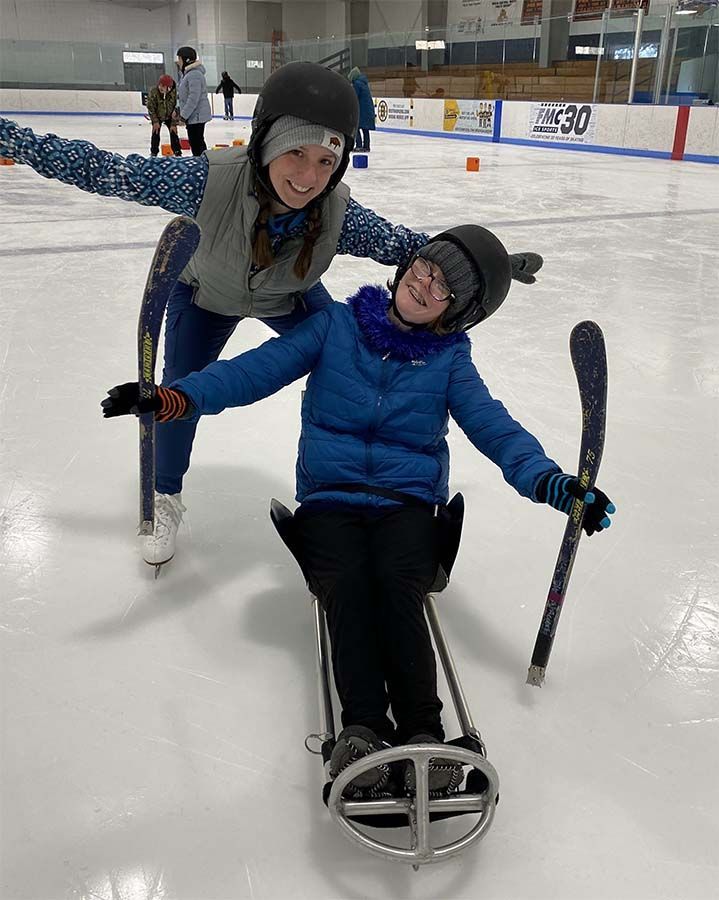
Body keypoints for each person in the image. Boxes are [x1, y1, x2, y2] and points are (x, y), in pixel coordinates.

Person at [101, 224, 615, 798]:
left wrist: (552, 485)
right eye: (424, 267)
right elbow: (252, 372)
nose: (424, 285)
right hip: (329, 502)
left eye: (444, 287)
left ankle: (427, 732)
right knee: (346, 582)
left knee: (398, 582)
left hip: (408, 506)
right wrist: (175, 398)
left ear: (458, 313)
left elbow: (497, 430)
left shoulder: (450, 360)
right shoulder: (336, 324)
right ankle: (364, 729)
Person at [0, 62, 543, 570]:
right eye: (296, 155)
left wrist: (499, 264)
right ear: (265, 144)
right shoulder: (206, 180)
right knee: (180, 392)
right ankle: (166, 495)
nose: (308, 177)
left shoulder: (336, 209)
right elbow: (105, 171)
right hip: (206, 296)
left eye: (326, 162)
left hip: (291, 299)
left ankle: (357, 477)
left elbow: (415, 251)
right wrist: (14, 139)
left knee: (354, 351)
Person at [175, 46, 211, 156]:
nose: (178, 62)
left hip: (197, 116)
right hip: (194, 116)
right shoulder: (188, 74)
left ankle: (202, 167)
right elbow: (184, 96)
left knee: (197, 144)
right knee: (196, 143)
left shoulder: (194, 74)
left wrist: (183, 116)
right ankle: (201, 165)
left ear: (186, 60)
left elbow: (193, 98)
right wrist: (179, 110)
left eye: (179, 59)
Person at [146, 74, 181, 157]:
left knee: (173, 132)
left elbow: (177, 108)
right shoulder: (153, 92)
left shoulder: (174, 93)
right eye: (160, 85)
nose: (161, 87)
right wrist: (155, 121)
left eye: (163, 86)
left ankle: (177, 152)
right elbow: (151, 107)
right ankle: (154, 153)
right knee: (156, 131)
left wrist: (173, 123)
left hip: (170, 116)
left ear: (168, 87)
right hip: (158, 115)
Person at [348, 67, 375, 153]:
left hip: (361, 110)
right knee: (365, 129)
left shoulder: (357, 84)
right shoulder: (363, 83)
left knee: (356, 128)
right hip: (367, 109)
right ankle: (366, 146)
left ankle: (359, 145)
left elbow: (353, 96)